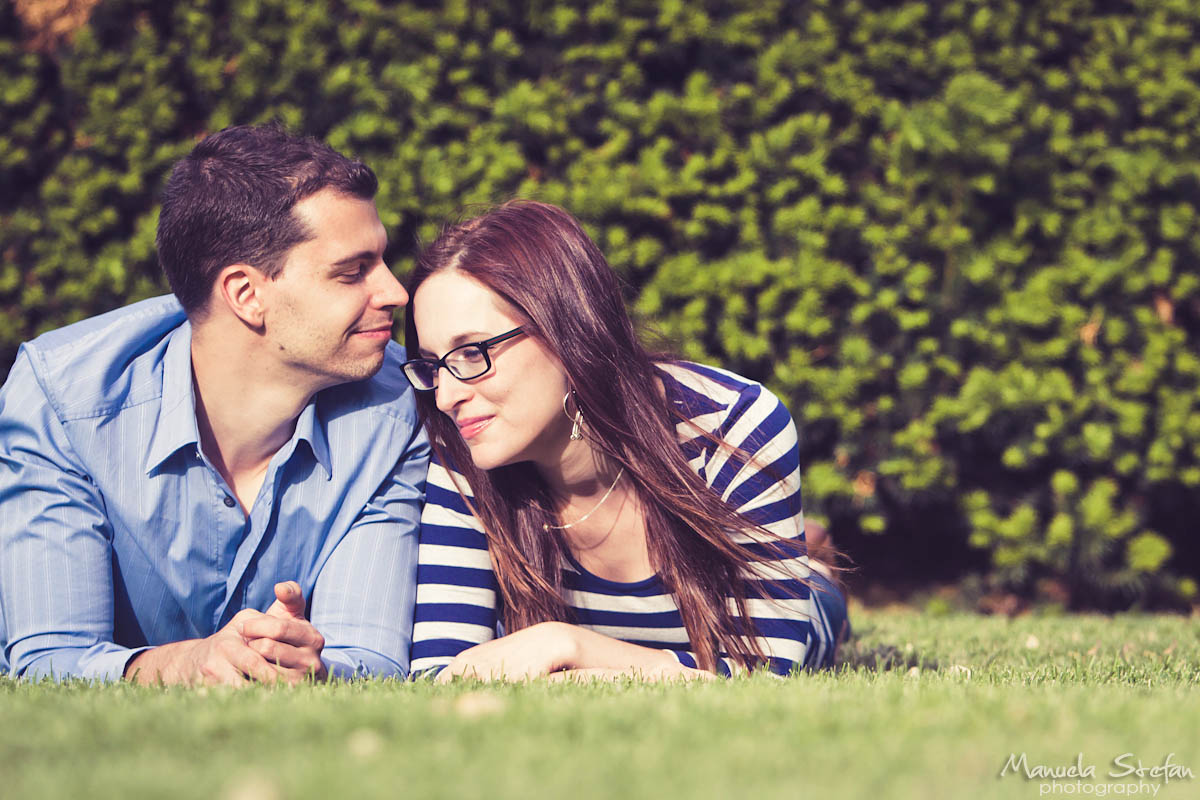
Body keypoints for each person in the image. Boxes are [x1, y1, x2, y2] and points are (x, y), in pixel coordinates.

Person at [0, 124, 428, 685]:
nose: (396, 292)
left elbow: (371, 656)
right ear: (246, 294)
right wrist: (184, 664)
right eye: (353, 273)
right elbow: (47, 657)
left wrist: (309, 666)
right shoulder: (65, 399)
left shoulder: (398, 406)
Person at [404, 200, 847, 680]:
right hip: (678, 657)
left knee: (816, 595)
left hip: (806, 618)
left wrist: (565, 645)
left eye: (471, 352)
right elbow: (439, 674)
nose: (446, 396)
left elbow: (766, 672)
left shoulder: (732, 424)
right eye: (434, 364)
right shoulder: (467, 451)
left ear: (565, 327)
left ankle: (815, 567)